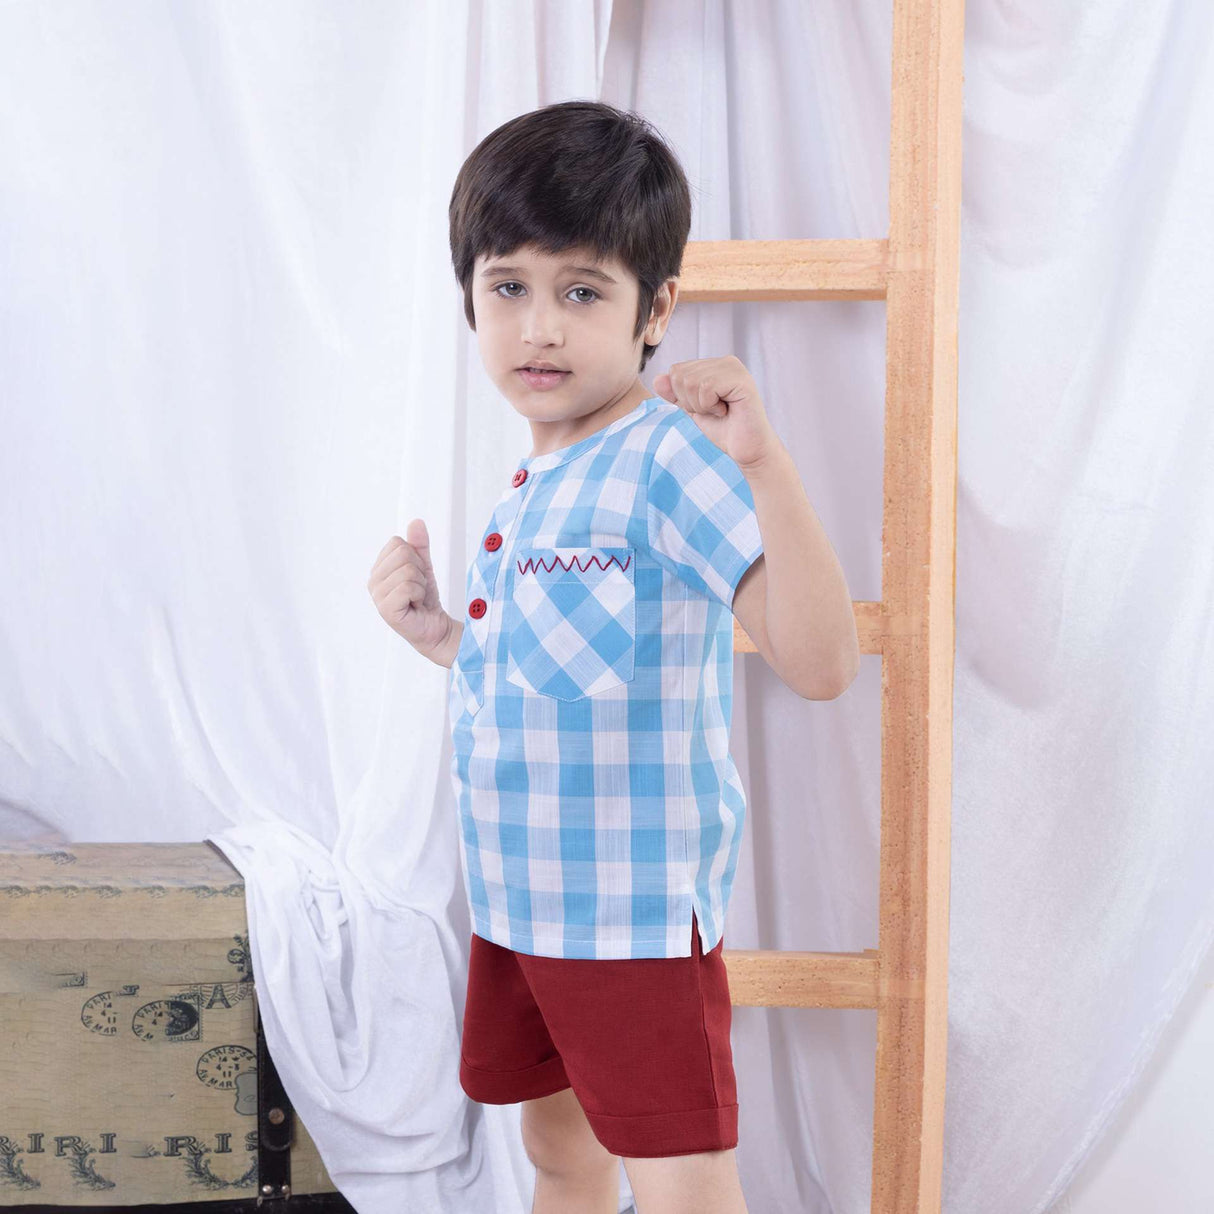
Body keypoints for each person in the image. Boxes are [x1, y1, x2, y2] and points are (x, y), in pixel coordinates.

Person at [368, 100, 859, 1214]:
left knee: (682, 1181)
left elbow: (822, 663)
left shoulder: (664, 461)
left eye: (580, 291)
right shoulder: (538, 479)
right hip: (521, 902)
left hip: (628, 919)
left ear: (656, 311)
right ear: (471, 299)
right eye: (509, 288)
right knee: (561, 1159)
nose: (539, 326)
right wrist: (442, 637)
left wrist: (763, 459)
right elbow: (556, 678)